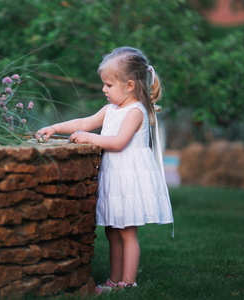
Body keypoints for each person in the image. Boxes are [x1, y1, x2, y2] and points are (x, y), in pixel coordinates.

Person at [35, 47, 174, 294]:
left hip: (129, 179)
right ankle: (113, 280)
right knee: (112, 231)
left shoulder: (135, 111)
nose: (104, 89)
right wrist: (55, 127)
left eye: (108, 85)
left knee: (127, 232)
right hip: (114, 178)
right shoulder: (111, 109)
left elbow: (119, 142)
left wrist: (90, 138)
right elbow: (83, 122)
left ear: (129, 85)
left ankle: (128, 282)